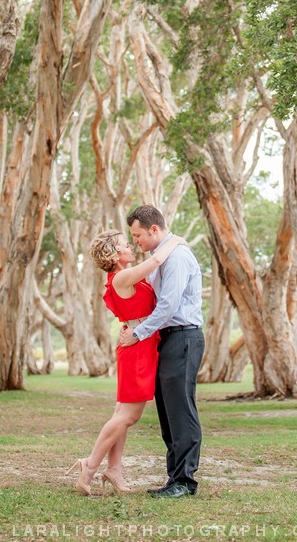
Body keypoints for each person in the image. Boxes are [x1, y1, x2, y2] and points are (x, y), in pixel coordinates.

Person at [67, 228, 185, 496]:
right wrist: (175, 241)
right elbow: (155, 261)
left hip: (140, 342)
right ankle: (90, 465)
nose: (132, 246)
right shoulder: (121, 277)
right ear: (114, 252)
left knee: (122, 415)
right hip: (137, 349)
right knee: (129, 416)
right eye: (125, 244)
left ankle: (114, 470)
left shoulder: (125, 277)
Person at [119, 205, 204, 499]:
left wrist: (138, 334)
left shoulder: (177, 257)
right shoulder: (163, 256)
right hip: (166, 339)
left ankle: (185, 481)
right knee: (168, 413)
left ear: (154, 229)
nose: (137, 241)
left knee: (181, 410)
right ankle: (174, 479)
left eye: (138, 234)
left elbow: (168, 306)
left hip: (183, 337)